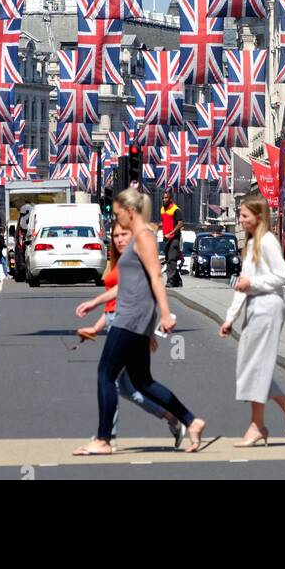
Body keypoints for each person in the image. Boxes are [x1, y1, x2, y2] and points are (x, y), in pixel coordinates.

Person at [73, 188, 205, 456]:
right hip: (135, 317)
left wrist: (166, 314)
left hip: (131, 318)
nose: (117, 217)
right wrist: (95, 303)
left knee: (105, 375)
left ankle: (103, 440)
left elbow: (156, 277)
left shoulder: (143, 237)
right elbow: (128, 284)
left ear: (130, 211)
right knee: (143, 381)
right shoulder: (137, 239)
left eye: (119, 213)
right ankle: (191, 421)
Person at [219, 192, 285, 447]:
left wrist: (253, 282)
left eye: (244, 215)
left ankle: (257, 426)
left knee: (256, 366)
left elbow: (284, 276)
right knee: (251, 365)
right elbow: (242, 285)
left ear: (258, 217)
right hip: (257, 308)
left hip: (269, 308)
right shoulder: (251, 244)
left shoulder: (267, 241)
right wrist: (229, 318)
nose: (241, 219)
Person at [160, 189, 183, 288]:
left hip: (174, 238)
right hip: (166, 239)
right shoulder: (162, 209)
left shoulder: (176, 209)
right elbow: (164, 222)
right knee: (168, 259)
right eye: (163, 198)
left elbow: (180, 223)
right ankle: (178, 281)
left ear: (170, 199)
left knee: (171, 259)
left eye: (166, 198)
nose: (164, 200)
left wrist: (171, 233)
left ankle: (171, 281)